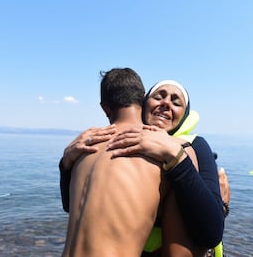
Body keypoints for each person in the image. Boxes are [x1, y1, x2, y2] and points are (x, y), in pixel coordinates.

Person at [60, 79, 225, 256]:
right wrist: (66, 163)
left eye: (176, 102)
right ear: (144, 103)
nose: (166, 103)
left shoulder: (192, 147)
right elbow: (74, 206)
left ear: (184, 115)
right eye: (158, 97)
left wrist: (175, 156)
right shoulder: (119, 139)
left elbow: (211, 233)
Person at [62, 68, 165, 256]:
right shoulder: (158, 148)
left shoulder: (83, 149)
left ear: (105, 108)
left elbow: (68, 206)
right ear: (143, 99)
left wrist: (65, 161)